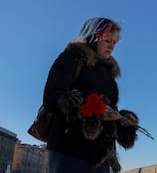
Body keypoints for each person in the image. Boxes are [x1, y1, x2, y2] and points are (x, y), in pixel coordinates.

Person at [43, 17, 139, 173]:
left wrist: (123, 120)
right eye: (108, 40)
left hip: (100, 158)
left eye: (114, 42)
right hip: (70, 151)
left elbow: (108, 110)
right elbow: (51, 97)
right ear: (92, 36)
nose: (112, 46)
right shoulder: (71, 58)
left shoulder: (108, 74)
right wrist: (89, 111)